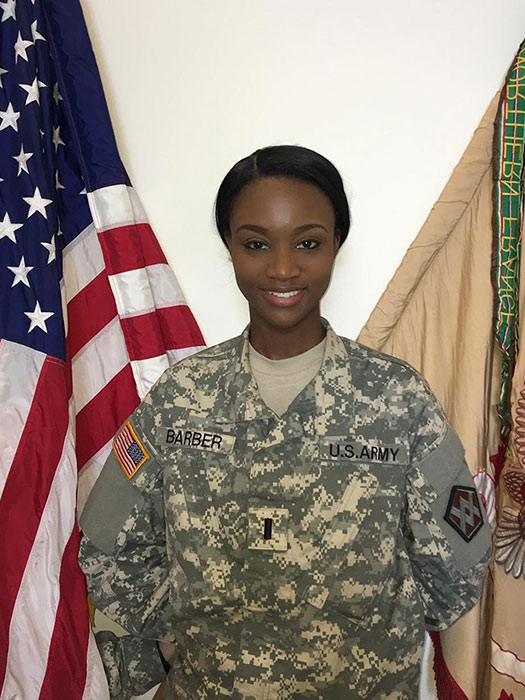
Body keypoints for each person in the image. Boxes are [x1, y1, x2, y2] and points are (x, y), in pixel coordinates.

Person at [78, 145, 491, 700]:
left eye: (307, 243)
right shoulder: (180, 398)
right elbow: (110, 550)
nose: (282, 268)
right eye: (256, 244)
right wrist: (187, 635)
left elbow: (456, 572)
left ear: (336, 243)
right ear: (229, 246)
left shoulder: (397, 399)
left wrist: (362, 641)